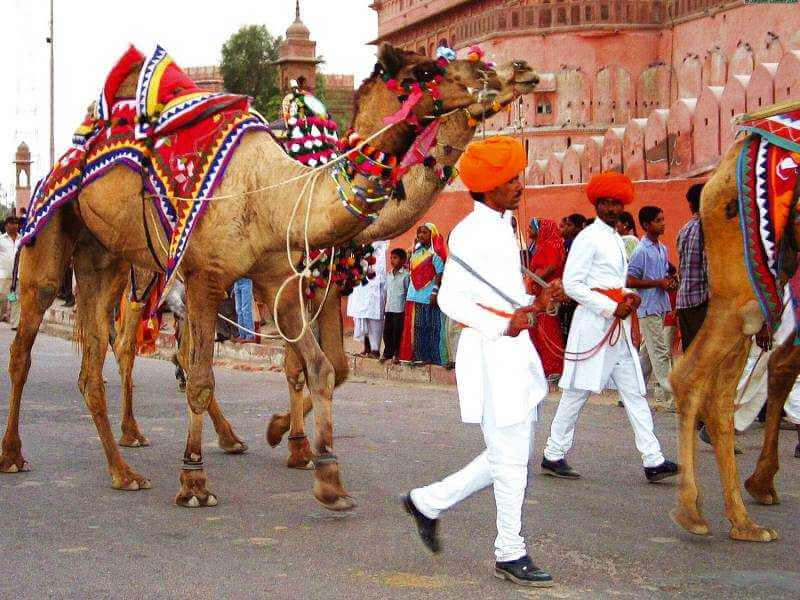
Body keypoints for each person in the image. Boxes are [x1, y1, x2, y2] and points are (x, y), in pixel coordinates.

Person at [403, 136, 559, 587]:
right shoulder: (472, 232)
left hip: (512, 352)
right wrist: (503, 325)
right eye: (510, 178)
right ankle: (510, 551)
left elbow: (502, 298)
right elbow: (450, 298)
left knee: (507, 454)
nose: (518, 184)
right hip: (492, 354)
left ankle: (427, 503)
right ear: (488, 187)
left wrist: (534, 300)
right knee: (510, 459)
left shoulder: (504, 225)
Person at [541, 172, 678, 482]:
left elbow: (615, 284)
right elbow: (574, 285)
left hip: (618, 330)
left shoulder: (616, 239)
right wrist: (611, 306)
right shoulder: (588, 238)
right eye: (607, 202)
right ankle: (553, 453)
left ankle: (653, 459)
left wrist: (628, 298)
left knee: (635, 393)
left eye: (617, 203)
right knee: (576, 392)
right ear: (597, 203)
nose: (612, 208)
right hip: (594, 325)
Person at [627, 206, 677, 410]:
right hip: (647, 307)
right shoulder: (641, 250)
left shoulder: (662, 249)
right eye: (658, 220)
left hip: (659, 305)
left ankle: (631, 391)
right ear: (646, 225)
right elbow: (630, 279)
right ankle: (672, 399)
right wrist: (659, 283)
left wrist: (669, 282)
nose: (662, 223)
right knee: (660, 353)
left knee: (648, 353)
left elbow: (663, 277)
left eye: (663, 219)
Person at [398, 223, 449, 366]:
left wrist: (435, 292)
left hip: (429, 296)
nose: (421, 235)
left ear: (432, 234)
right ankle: (418, 356)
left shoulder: (436, 253)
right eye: (419, 232)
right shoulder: (416, 251)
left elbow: (440, 273)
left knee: (432, 327)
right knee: (417, 327)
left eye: (424, 232)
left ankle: (432, 358)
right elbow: (411, 269)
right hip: (414, 295)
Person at [527, 218, 566, 379]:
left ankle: (555, 368)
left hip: (549, 293)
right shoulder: (540, 246)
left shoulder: (552, 244)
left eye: (531, 228)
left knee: (548, 330)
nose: (528, 231)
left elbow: (551, 265)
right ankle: (544, 366)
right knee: (536, 330)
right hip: (539, 294)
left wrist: (534, 277)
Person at [675, 183, 708, 351]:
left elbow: (682, 266)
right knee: (704, 356)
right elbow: (708, 266)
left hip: (684, 301)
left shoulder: (684, 229)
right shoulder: (706, 227)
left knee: (691, 355)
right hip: (700, 302)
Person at [348, 241, 389, 358]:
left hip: (374, 278)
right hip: (360, 280)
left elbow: (371, 248)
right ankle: (366, 348)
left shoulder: (380, 236)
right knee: (361, 315)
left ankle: (375, 350)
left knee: (374, 317)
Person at [382, 248, 409, 363]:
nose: (392, 260)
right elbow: (386, 291)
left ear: (403, 260)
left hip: (399, 309)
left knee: (397, 332)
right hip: (389, 308)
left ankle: (396, 353)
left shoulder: (405, 275)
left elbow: (408, 292)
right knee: (387, 331)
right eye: (391, 258)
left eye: (395, 258)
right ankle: (387, 353)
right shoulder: (388, 275)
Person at [0, 216, 20, 327]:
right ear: (6, 225)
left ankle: (15, 323)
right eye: (12, 223)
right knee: (2, 298)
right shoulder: (1, 239)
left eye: (16, 223)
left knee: (16, 300)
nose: (14, 225)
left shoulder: (21, 239)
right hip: (3, 275)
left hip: (17, 275)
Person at [232, 277, 255, 343]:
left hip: (246, 281)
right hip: (236, 282)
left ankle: (250, 336)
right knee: (239, 310)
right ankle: (242, 335)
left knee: (246, 310)